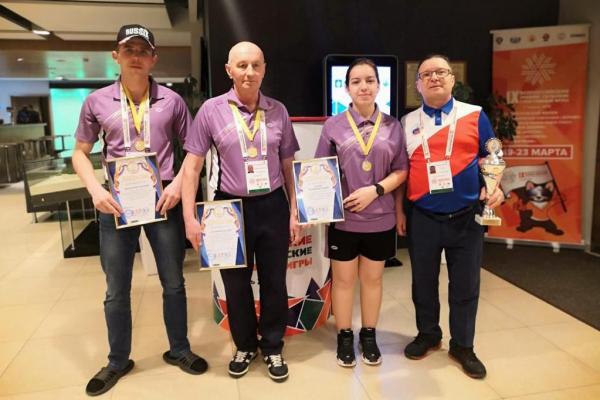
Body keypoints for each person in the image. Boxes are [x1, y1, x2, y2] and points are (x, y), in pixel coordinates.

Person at [72, 24, 207, 397]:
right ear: (115, 55)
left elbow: (193, 150)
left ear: (153, 58)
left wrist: (177, 185)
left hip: (163, 201)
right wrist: (95, 189)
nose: (136, 56)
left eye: (143, 50)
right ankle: (117, 361)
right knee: (116, 288)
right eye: (128, 50)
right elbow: (79, 153)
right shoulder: (97, 101)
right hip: (116, 204)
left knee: (174, 281)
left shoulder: (172, 101)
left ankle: (179, 349)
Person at [181, 41, 302, 382]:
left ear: (264, 69)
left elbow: (288, 166)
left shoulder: (278, 110)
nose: (249, 72)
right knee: (235, 285)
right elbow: (192, 167)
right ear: (229, 70)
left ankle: (273, 345)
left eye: (256, 65)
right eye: (242, 65)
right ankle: (245, 345)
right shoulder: (211, 110)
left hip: (273, 205)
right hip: (228, 209)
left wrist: (294, 211)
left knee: (275, 281)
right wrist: (190, 218)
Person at [397, 54, 504, 379]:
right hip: (423, 217)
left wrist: (495, 187)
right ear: (418, 85)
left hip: (467, 217)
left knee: (466, 285)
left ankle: (463, 345)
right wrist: (400, 210)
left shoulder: (475, 115)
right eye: (426, 74)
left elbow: (493, 154)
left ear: (452, 79)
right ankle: (428, 334)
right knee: (423, 283)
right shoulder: (406, 122)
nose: (434, 78)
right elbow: (401, 170)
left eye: (440, 72)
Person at [314, 58, 408, 367]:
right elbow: (320, 172)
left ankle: (368, 335)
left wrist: (376, 190)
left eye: (369, 80)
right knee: (343, 282)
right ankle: (344, 336)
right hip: (344, 221)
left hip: (380, 219)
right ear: (347, 88)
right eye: (356, 81)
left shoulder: (393, 126)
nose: (363, 86)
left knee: (373, 280)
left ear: (379, 86)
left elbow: (401, 171)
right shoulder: (333, 125)